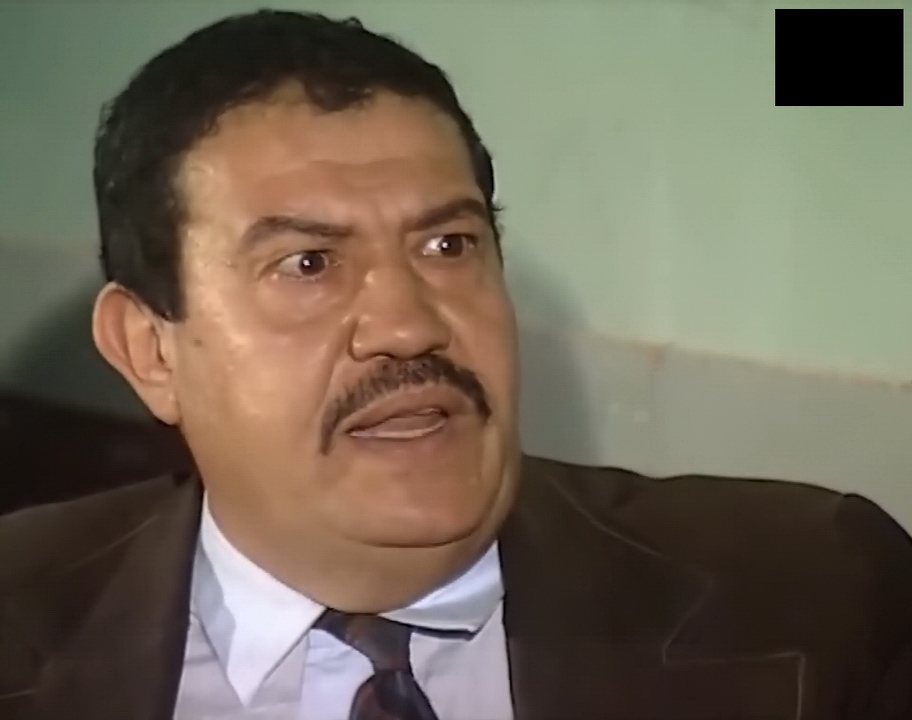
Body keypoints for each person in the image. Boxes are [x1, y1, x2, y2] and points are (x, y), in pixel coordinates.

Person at [1, 10, 910, 720]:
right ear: (150, 350)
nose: (407, 326)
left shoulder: (820, 594)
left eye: (448, 245)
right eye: (308, 264)